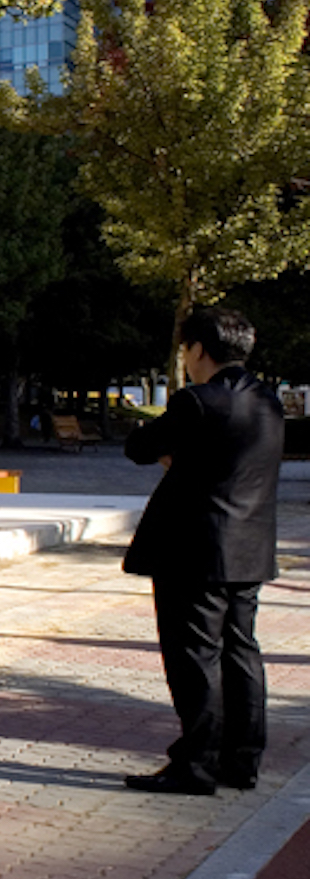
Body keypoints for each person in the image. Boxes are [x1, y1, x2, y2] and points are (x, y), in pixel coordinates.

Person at [120, 304, 284, 795]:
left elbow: (140, 447)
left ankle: (196, 764)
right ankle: (243, 760)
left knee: (195, 658)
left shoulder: (198, 401)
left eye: (186, 350)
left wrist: (175, 454)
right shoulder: (268, 401)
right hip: (250, 547)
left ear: (198, 350)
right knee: (241, 652)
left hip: (194, 551)